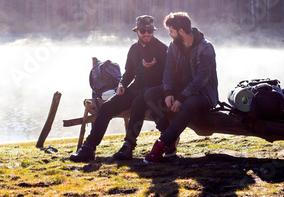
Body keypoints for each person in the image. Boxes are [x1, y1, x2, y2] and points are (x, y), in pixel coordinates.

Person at [70, 15, 168, 162]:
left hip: (153, 91)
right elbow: (128, 72)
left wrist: (153, 68)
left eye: (150, 30)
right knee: (107, 107)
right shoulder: (133, 49)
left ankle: (128, 147)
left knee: (137, 105)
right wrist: (121, 85)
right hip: (135, 88)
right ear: (137, 31)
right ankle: (88, 148)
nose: (147, 33)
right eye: (143, 30)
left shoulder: (162, 48)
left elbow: (168, 75)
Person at [143, 12, 218, 164]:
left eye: (171, 31)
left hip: (203, 95)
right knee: (150, 94)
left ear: (181, 32)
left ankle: (162, 145)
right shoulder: (174, 46)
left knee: (189, 104)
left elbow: (201, 79)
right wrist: (168, 92)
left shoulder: (206, 48)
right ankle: (170, 142)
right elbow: (168, 72)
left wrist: (182, 98)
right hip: (180, 92)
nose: (170, 35)